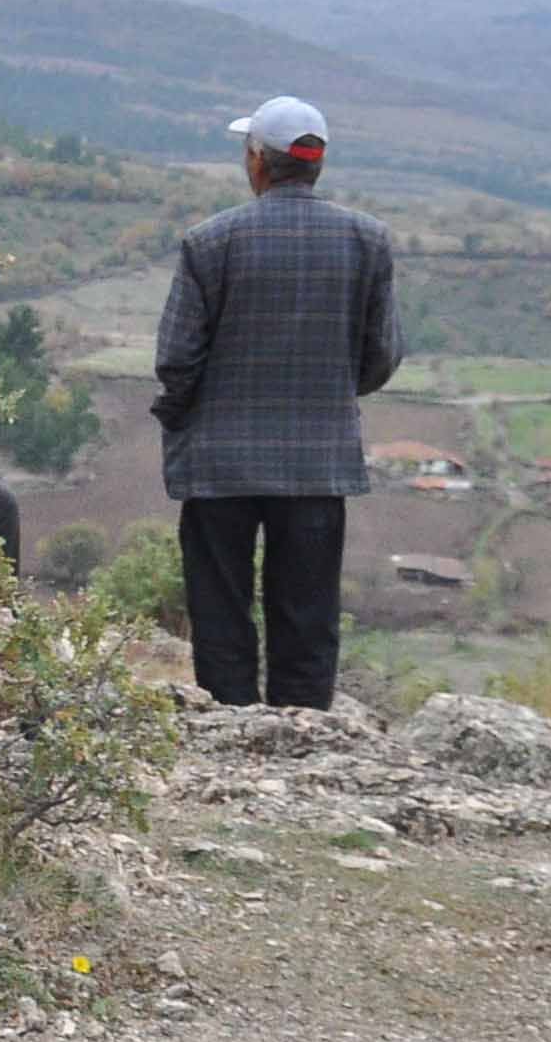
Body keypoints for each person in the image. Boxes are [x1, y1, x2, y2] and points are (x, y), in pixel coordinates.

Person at [151, 95, 399, 709]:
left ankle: (231, 726)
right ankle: (305, 733)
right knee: (308, 615)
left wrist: (182, 414)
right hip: (319, 463)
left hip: (218, 465)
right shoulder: (368, 240)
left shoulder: (210, 242)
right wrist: (332, 394)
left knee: (221, 610)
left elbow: (177, 358)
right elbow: (382, 354)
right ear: (314, 164)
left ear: (257, 160)